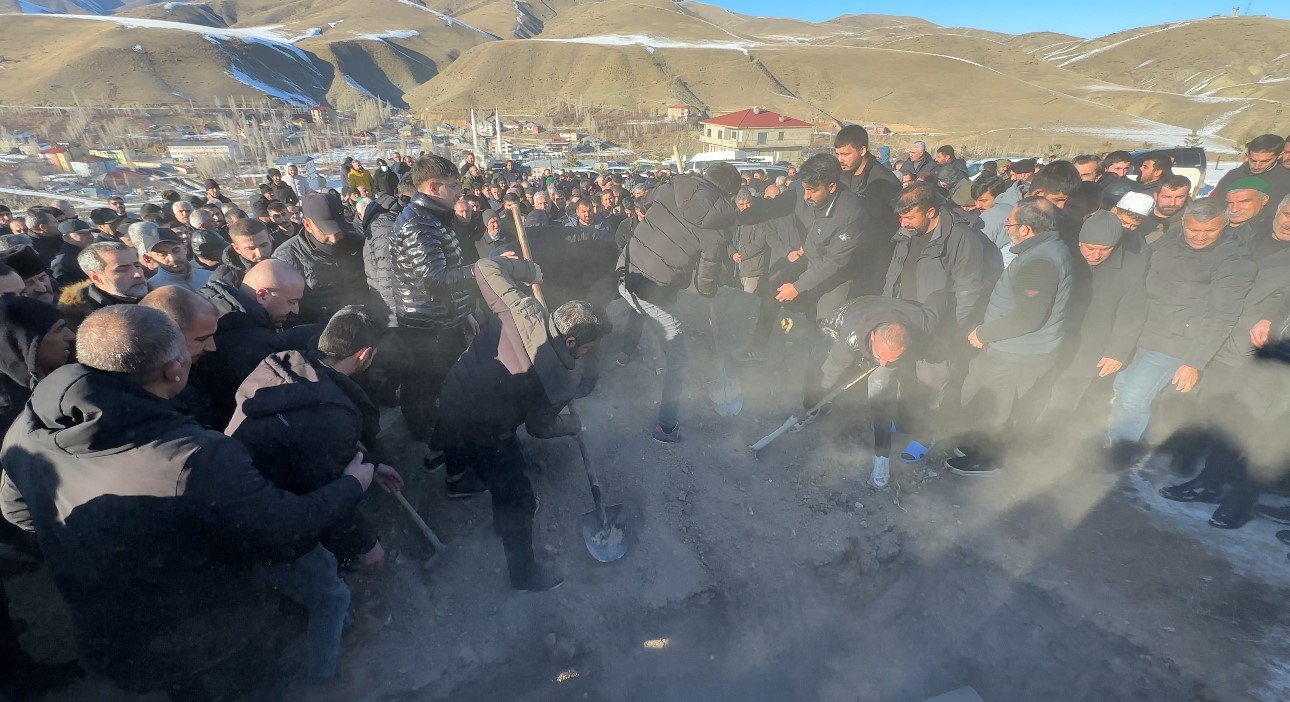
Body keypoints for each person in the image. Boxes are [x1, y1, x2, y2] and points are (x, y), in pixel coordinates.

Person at [0, 305, 376, 699]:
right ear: (172, 370)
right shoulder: (195, 457)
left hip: (106, 626)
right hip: (205, 634)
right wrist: (352, 483)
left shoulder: (26, 428)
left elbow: (18, 512)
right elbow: (285, 531)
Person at [227, 306, 402, 689]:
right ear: (363, 355)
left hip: (242, 495)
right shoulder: (331, 415)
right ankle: (324, 682)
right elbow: (326, 489)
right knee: (329, 595)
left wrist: (370, 465)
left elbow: (305, 449)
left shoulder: (282, 366)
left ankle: (348, 626)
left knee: (320, 577)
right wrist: (366, 543)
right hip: (271, 524)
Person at [438, 257, 610, 590]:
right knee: (519, 500)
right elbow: (539, 428)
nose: (589, 354)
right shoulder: (557, 380)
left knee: (483, 462)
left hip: (454, 392)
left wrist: (527, 271)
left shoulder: (522, 306)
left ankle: (488, 508)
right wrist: (571, 427)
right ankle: (523, 574)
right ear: (571, 342)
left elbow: (485, 266)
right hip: (486, 428)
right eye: (588, 348)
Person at [1156, 194, 1290, 528]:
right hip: (1227, 344)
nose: (1289, 221)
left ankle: (1240, 501)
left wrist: (1271, 317)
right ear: (1277, 210)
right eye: (1287, 212)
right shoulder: (1246, 236)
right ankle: (1209, 481)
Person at [1105, 198, 1256, 464]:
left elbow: (1222, 316)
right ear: (1184, 223)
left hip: (1174, 342)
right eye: (1193, 229)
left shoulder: (1233, 261)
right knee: (1122, 386)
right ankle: (1118, 438)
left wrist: (1194, 362)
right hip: (1141, 330)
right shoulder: (1170, 242)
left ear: (1224, 224)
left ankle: (1120, 453)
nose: (1200, 236)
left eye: (1209, 231)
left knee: (1133, 398)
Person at [948, 197, 1073, 477]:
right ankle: (976, 443)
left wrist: (984, 332)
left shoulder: (1040, 261)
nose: (1007, 228)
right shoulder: (1046, 247)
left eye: (1010, 224)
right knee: (987, 398)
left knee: (997, 407)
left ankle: (988, 459)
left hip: (1019, 351)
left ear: (1026, 229)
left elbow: (1028, 317)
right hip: (1014, 347)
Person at [616, 163, 740, 442]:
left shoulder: (673, 186)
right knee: (679, 359)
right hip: (654, 290)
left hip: (626, 271)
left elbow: (643, 200)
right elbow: (706, 277)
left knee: (640, 304)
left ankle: (625, 353)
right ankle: (666, 426)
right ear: (730, 193)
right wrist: (708, 291)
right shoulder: (720, 228)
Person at [0, 296, 80, 700]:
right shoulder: (8, 403)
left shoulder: (48, 382)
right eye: (56, 331)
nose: (69, 336)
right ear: (24, 345)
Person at [389, 154, 480, 476]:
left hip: (443, 318)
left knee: (439, 386)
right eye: (454, 186)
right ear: (433, 186)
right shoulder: (418, 223)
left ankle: (441, 442)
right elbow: (435, 279)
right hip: (427, 326)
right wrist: (483, 268)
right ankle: (440, 449)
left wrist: (463, 312)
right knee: (434, 389)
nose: (460, 192)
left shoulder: (433, 218)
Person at [741, 154, 876, 361]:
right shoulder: (800, 190)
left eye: (813, 191)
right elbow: (772, 208)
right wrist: (733, 215)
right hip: (809, 258)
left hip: (838, 273)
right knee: (773, 288)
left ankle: (820, 376)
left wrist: (797, 287)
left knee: (826, 321)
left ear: (831, 187)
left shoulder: (851, 211)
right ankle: (758, 346)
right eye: (804, 189)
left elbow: (834, 262)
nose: (806, 196)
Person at [801, 295, 942, 487]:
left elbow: (938, 299)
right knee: (822, 365)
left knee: (880, 398)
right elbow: (830, 371)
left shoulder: (921, 321)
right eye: (881, 355)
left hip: (895, 311)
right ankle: (816, 410)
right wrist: (809, 403)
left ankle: (881, 458)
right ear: (874, 336)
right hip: (851, 312)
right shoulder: (850, 337)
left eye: (890, 358)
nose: (883, 362)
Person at [1042, 211, 1149, 422]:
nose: (1096, 255)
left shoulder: (1132, 266)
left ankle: (1048, 439)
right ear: (1080, 241)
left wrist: (1118, 351)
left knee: (1065, 397)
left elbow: (1132, 313)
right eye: (1090, 248)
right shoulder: (1064, 253)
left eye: (1104, 250)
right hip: (1052, 336)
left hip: (1090, 344)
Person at [195, 259, 317, 426]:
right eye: (292, 302)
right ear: (262, 295)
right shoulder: (250, 343)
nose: (295, 310)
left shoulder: (214, 302)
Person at [273, 192, 366, 325]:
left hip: (362, 320)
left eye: (338, 231)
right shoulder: (287, 258)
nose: (333, 239)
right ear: (307, 225)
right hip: (317, 329)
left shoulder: (357, 243)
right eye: (325, 231)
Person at [58, 241, 148, 330]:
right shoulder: (77, 317)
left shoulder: (157, 296)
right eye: (122, 270)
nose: (137, 274)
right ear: (96, 277)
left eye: (137, 266)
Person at [1211, 134, 1290, 207]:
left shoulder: (1285, 180)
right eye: (1253, 160)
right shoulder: (1233, 174)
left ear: (1280, 156)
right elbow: (1215, 203)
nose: (1256, 166)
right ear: (1247, 155)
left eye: (1264, 161)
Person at [130, 221, 211, 291]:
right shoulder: (151, 289)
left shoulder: (210, 277)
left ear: (185, 248)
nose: (173, 258)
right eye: (163, 254)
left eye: (176, 251)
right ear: (149, 258)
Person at [1140, 175, 1192, 248]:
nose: (1172, 203)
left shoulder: (1190, 223)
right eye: (1166, 197)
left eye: (1179, 197)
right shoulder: (1139, 213)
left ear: (1187, 197)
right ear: (1155, 196)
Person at [51, 218, 95, 285]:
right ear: (67, 237)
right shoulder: (62, 262)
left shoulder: (87, 252)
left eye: (89, 233)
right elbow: (68, 291)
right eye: (83, 233)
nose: (91, 236)